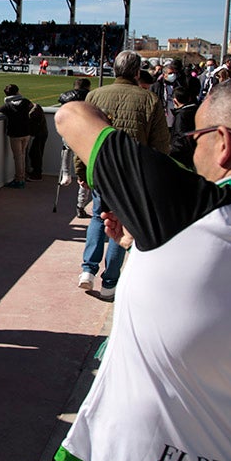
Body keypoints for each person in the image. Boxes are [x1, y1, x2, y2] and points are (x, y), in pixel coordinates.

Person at [47, 73, 231, 461]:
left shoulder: (192, 210)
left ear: (224, 142)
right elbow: (215, 293)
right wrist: (140, 245)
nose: (191, 147)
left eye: (196, 136)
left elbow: (72, 116)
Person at [76, 50, 170, 298]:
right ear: (137, 72)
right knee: (122, 222)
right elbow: (160, 145)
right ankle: (110, 283)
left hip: (101, 169)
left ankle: (87, 270)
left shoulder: (95, 95)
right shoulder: (149, 100)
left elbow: (81, 136)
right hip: (133, 174)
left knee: (98, 217)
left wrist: (81, 169)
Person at [59, 78, 92, 218]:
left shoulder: (65, 96)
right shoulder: (91, 96)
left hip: (69, 129)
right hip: (85, 133)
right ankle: (80, 205)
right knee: (85, 170)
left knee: (66, 149)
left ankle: (65, 173)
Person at [0, 84, 32, 189]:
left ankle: (19, 179)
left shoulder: (8, 105)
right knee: (22, 155)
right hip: (27, 132)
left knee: (18, 157)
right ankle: (22, 177)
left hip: (15, 134)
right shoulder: (26, 102)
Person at [27, 100, 48, 180]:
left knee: (35, 153)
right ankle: (36, 172)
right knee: (35, 153)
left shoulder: (34, 112)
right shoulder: (37, 108)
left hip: (39, 135)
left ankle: (37, 173)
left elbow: (33, 124)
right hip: (41, 133)